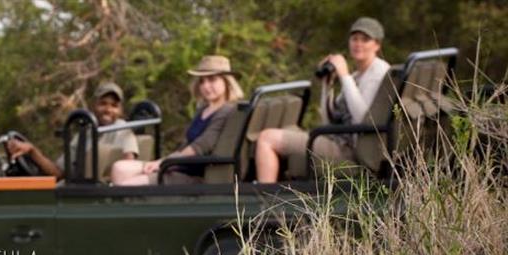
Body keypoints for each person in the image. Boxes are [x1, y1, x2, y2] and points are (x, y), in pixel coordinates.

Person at [254, 17, 390, 183]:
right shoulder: (357, 76)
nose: (358, 44)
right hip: (337, 140)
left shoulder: (379, 72)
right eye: (354, 39)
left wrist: (344, 76)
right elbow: (328, 121)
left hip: (354, 151)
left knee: (267, 138)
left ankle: (263, 203)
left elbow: (363, 118)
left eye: (365, 39)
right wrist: (328, 84)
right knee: (283, 130)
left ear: (377, 45)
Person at [111, 55, 244, 186]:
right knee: (120, 168)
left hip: (195, 175)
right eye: (202, 81)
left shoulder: (227, 111)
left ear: (226, 82)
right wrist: (162, 162)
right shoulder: (203, 110)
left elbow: (200, 147)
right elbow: (185, 145)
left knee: (128, 185)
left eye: (212, 80)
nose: (205, 86)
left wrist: (162, 163)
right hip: (180, 166)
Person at [6, 82, 138, 181]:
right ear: (94, 105)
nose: (108, 109)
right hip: (78, 191)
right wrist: (32, 151)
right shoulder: (85, 133)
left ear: (120, 110)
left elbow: (129, 165)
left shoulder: (122, 130)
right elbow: (59, 172)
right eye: (103, 103)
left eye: (114, 106)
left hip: (97, 195)